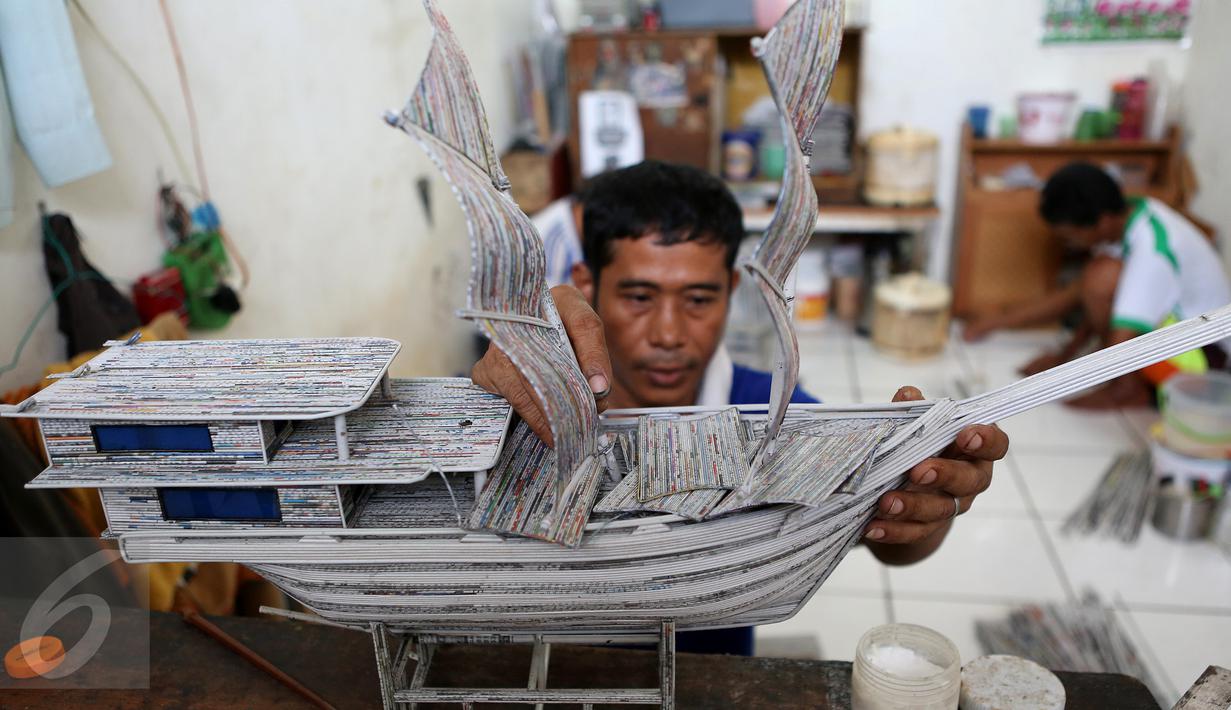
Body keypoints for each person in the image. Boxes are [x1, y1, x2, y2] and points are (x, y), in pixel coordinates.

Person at [472, 160, 1008, 655]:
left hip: (710, 672)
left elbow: (890, 542)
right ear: (587, 284)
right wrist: (494, 397)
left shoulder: (781, 418)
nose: (668, 334)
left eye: (698, 299)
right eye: (639, 297)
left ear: (731, 289)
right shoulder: (532, 403)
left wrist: (920, 495)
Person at [964, 162, 1231, 408]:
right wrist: (1062, 355)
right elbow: (1081, 294)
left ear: (1101, 222)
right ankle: (1125, 382)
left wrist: (1059, 380)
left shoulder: (1153, 250)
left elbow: (1122, 335)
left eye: (1071, 236)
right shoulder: (1130, 215)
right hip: (1179, 333)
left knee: (1101, 276)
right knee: (1099, 275)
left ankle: (1128, 388)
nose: (1070, 244)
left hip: (1204, 361)